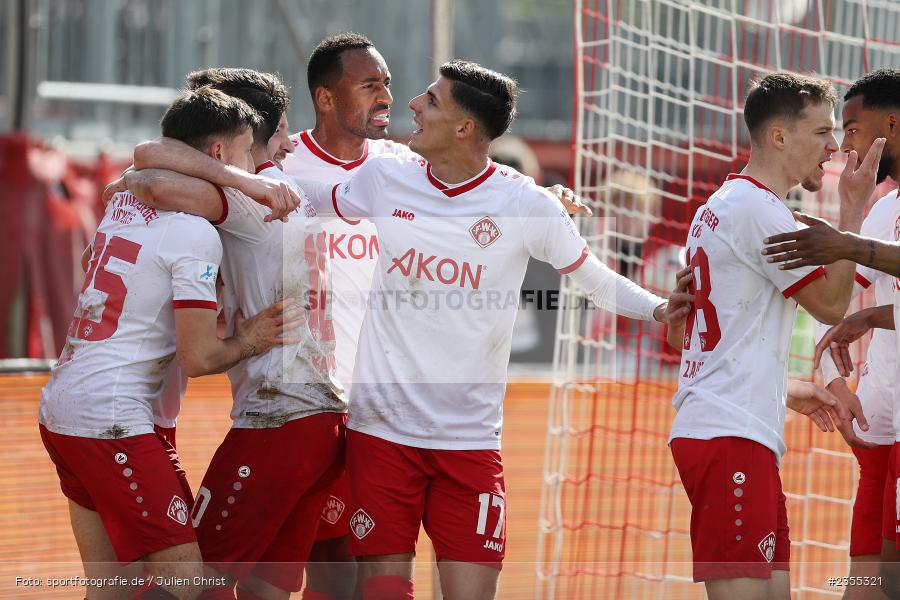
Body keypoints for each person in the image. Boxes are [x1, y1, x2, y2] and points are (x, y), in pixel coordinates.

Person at [293, 58, 692, 600]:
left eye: (431, 100)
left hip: (469, 443)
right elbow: (299, 199)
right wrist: (223, 172)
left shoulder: (525, 203)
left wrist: (659, 309)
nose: (412, 103)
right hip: (383, 434)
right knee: (384, 592)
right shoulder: (383, 178)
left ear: (464, 128)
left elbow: (595, 281)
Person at [38, 86, 301, 600]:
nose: (260, 163)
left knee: (111, 589)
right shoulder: (193, 232)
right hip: (112, 418)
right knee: (187, 586)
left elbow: (145, 170)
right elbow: (198, 357)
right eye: (251, 151)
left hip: (63, 407)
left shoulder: (124, 202)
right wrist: (248, 340)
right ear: (222, 154)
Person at [124, 68, 348, 600]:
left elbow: (150, 172)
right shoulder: (292, 192)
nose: (294, 142)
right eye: (284, 131)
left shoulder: (257, 197)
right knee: (265, 592)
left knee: (187, 585)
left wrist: (125, 184)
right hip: (323, 423)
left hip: (279, 420)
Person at [665, 72, 882, 600]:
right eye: (821, 132)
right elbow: (831, 303)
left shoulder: (725, 204)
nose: (834, 147)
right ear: (779, 137)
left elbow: (695, 336)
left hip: (735, 428)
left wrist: (782, 387)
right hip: (729, 435)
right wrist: (852, 211)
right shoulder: (758, 210)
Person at [764, 69, 900, 599]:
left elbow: (854, 261)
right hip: (880, 427)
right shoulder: (885, 208)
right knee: (866, 583)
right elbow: (835, 300)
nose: (845, 145)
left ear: (891, 122)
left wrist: (845, 241)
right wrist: (830, 378)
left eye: (852, 129)